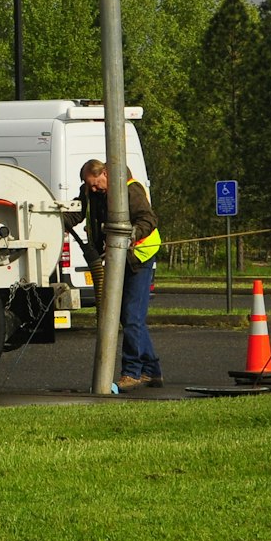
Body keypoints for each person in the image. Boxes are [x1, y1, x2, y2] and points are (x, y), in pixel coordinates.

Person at [71, 158, 163, 390]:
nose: (92, 189)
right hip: (115, 258)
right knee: (127, 318)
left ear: (105, 173)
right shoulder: (90, 191)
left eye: (95, 184)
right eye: (88, 186)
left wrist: (131, 234)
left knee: (132, 317)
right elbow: (77, 212)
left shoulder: (130, 190)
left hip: (138, 257)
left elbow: (148, 219)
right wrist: (54, 219)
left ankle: (131, 373)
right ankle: (152, 371)